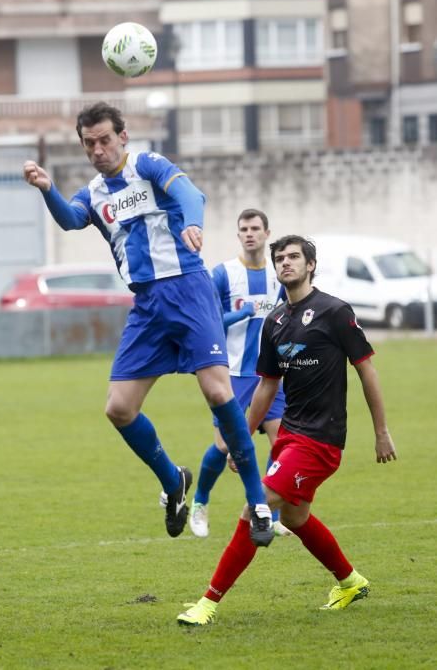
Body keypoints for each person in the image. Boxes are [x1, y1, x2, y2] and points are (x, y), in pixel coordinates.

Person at [23, 101, 273, 547]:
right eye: (89, 143)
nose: (98, 149)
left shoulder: (149, 165)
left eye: (104, 139)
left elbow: (190, 194)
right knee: (118, 408)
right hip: (147, 305)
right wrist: (47, 189)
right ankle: (173, 480)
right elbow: (70, 220)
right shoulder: (94, 193)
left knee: (218, 392)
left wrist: (193, 224)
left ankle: (257, 501)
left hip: (188, 289)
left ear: (123, 136)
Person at [176, 234, 397, 625]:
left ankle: (207, 604)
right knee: (295, 518)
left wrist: (381, 431)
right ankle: (349, 581)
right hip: (292, 433)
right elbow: (266, 386)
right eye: (280, 258)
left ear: (311, 265)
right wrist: (237, 438)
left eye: (294, 257)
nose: (286, 263)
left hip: (322, 439)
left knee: (255, 506)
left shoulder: (335, 311)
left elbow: (367, 370)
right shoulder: (275, 322)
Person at [185, 209, 291, 538]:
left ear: (267, 232)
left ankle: (271, 513)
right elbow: (209, 322)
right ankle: (199, 503)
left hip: (270, 374)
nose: (249, 233)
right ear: (238, 235)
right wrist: (241, 314)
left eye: (255, 228)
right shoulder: (223, 275)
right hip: (230, 372)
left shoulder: (280, 277)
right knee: (222, 446)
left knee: (282, 443)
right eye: (244, 228)